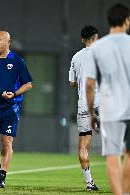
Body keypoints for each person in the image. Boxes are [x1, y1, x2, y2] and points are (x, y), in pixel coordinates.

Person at [0, 31, 33, 188]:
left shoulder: (17, 61)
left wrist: (14, 94)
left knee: (7, 141)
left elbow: (28, 84)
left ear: (8, 42)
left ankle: (2, 176)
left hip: (10, 108)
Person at [85, 3, 130, 195]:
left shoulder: (98, 48)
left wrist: (91, 113)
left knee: (113, 155)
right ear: (127, 21)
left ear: (109, 21)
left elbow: (89, 84)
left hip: (111, 110)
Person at [69, 25, 99, 191]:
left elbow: (72, 83)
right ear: (96, 37)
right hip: (105, 105)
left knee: (83, 146)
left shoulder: (76, 57)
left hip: (84, 106)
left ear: (82, 39)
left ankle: (89, 182)